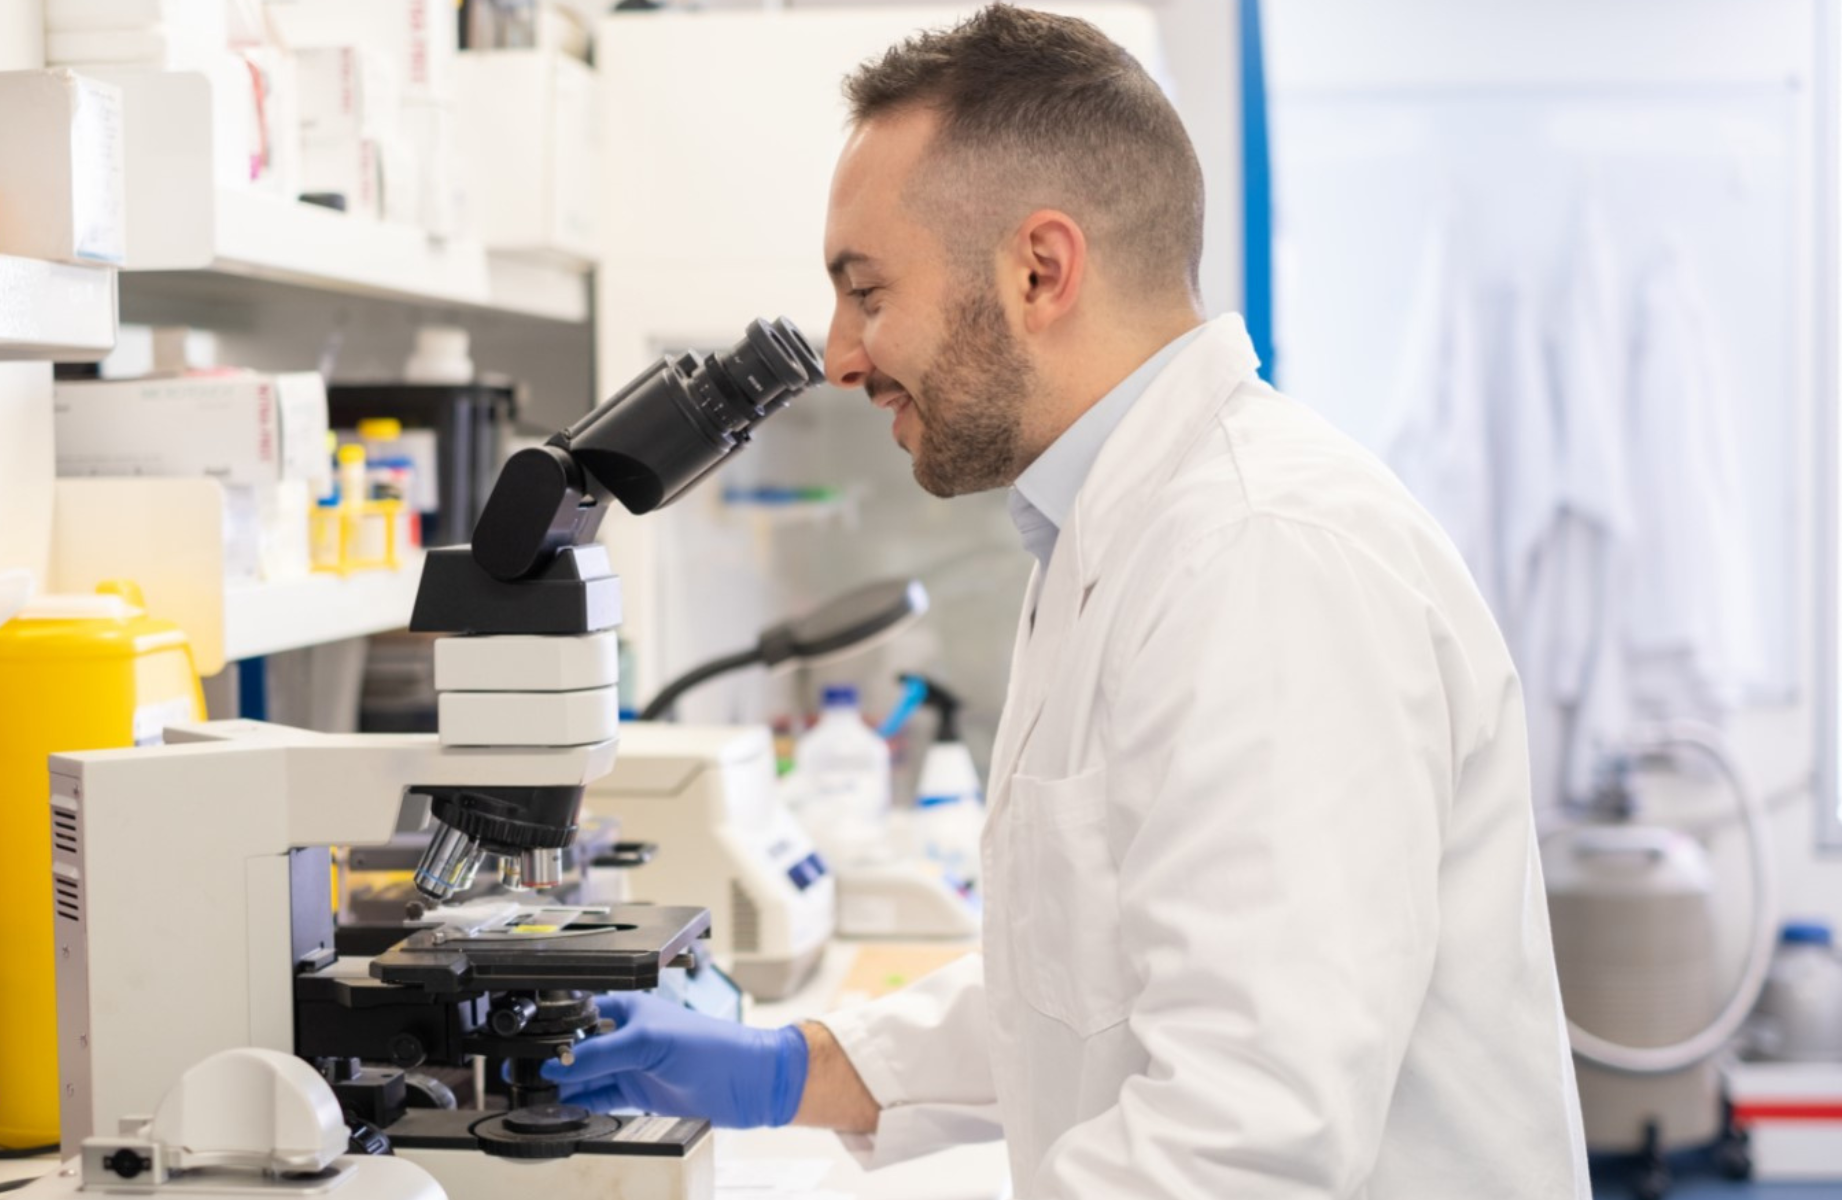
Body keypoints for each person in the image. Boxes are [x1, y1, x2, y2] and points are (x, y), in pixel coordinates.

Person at [546, 6, 1590, 1196]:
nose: (839, 355)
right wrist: (805, 1068)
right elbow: (1100, 985)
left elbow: (1241, 1141)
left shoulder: (1260, 556)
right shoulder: (1117, 530)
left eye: (866, 290)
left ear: (1040, 270)